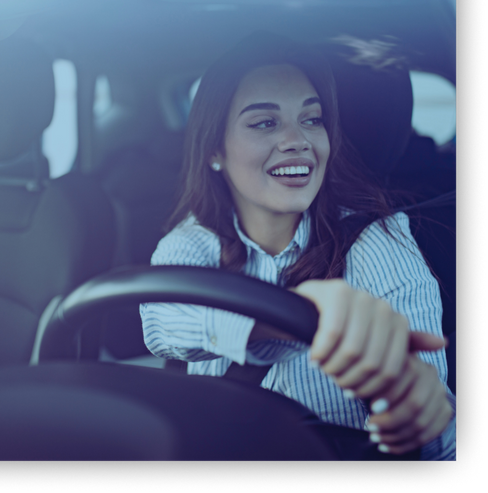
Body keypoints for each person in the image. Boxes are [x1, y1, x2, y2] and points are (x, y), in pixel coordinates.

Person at [139, 32, 456, 461]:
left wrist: (410, 406)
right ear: (215, 149)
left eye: (312, 119)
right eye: (265, 123)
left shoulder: (379, 243)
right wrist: (298, 317)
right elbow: (163, 319)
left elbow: (434, 438)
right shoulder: (193, 240)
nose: (298, 140)